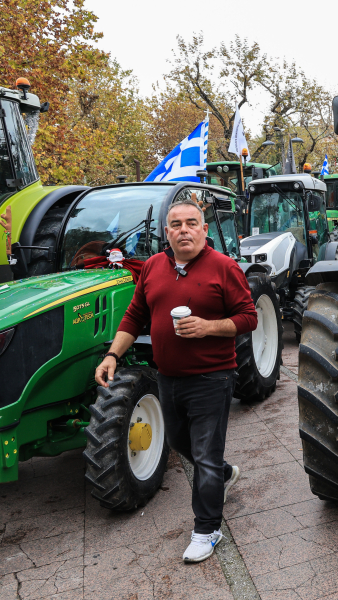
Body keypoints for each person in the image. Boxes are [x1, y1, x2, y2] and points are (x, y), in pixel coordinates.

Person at [94, 199, 258, 564]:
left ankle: (207, 529)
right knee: (183, 445)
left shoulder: (224, 267)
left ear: (203, 230)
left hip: (213, 378)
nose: (184, 230)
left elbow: (249, 317)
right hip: (168, 378)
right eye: (176, 224)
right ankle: (224, 473)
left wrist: (207, 327)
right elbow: (134, 316)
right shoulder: (153, 266)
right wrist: (112, 356)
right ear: (166, 232)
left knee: (204, 454)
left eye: (191, 223)